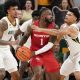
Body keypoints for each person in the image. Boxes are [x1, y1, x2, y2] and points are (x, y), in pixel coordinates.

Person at [32, 7, 80, 80]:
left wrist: (40, 29)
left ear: (75, 19)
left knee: (78, 75)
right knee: (60, 76)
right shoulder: (64, 26)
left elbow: (57, 32)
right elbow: (57, 38)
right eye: (66, 14)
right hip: (72, 56)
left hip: (79, 54)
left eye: (70, 15)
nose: (66, 16)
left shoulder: (72, 28)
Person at [17, 7, 60, 80]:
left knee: (55, 77)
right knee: (38, 73)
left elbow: (50, 45)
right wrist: (19, 46)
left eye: (51, 14)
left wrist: (35, 53)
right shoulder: (32, 26)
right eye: (49, 14)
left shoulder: (55, 27)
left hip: (47, 53)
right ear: (43, 16)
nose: (51, 16)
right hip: (35, 53)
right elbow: (25, 37)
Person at [14, 10, 40, 80]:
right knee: (22, 67)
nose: (36, 20)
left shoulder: (42, 25)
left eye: (38, 19)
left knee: (35, 71)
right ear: (32, 18)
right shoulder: (27, 23)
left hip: (36, 49)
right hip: (26, 48)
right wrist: (17, 44)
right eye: (35, 19)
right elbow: (16, 34)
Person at [0, 0, 21, 80]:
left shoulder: (17, 20)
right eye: (13, 9)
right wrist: (11, 42)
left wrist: (16, 47)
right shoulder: (3, 23)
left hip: (6, 49)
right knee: (1, 73)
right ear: (8, 11)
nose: (16, 11)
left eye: (17, 9)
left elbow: (11, 36)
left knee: (16, 76)